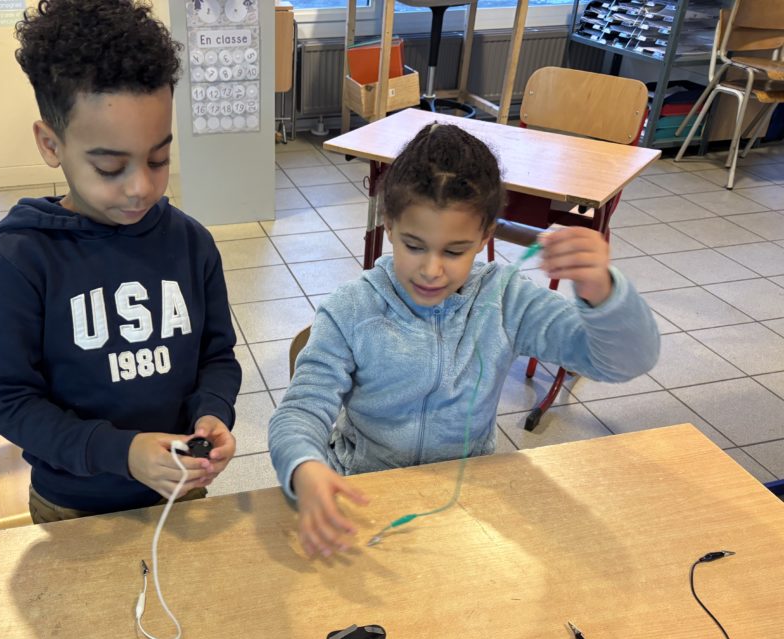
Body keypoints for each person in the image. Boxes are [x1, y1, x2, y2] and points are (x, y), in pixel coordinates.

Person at [268, 123, 660, 558]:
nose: (432, 270)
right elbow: (300, 411)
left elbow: (622, 361)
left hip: (467, 496)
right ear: (390, 226)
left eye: (454, 251)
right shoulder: (352, 309)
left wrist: (603, 292)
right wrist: (305, 466)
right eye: (415, 245)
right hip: (364, 494)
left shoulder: (506, 300)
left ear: (485, 236)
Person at [0, 0, 241, 522]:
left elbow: (217, 356)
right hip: (73, 507)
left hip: (178, 493)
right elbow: (9, 400)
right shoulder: (15, 259)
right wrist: (120, 452)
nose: (141, 187)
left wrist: (212, 411)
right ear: (51, 144)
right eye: (111, 167)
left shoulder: (192, 244)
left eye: (158, 159)